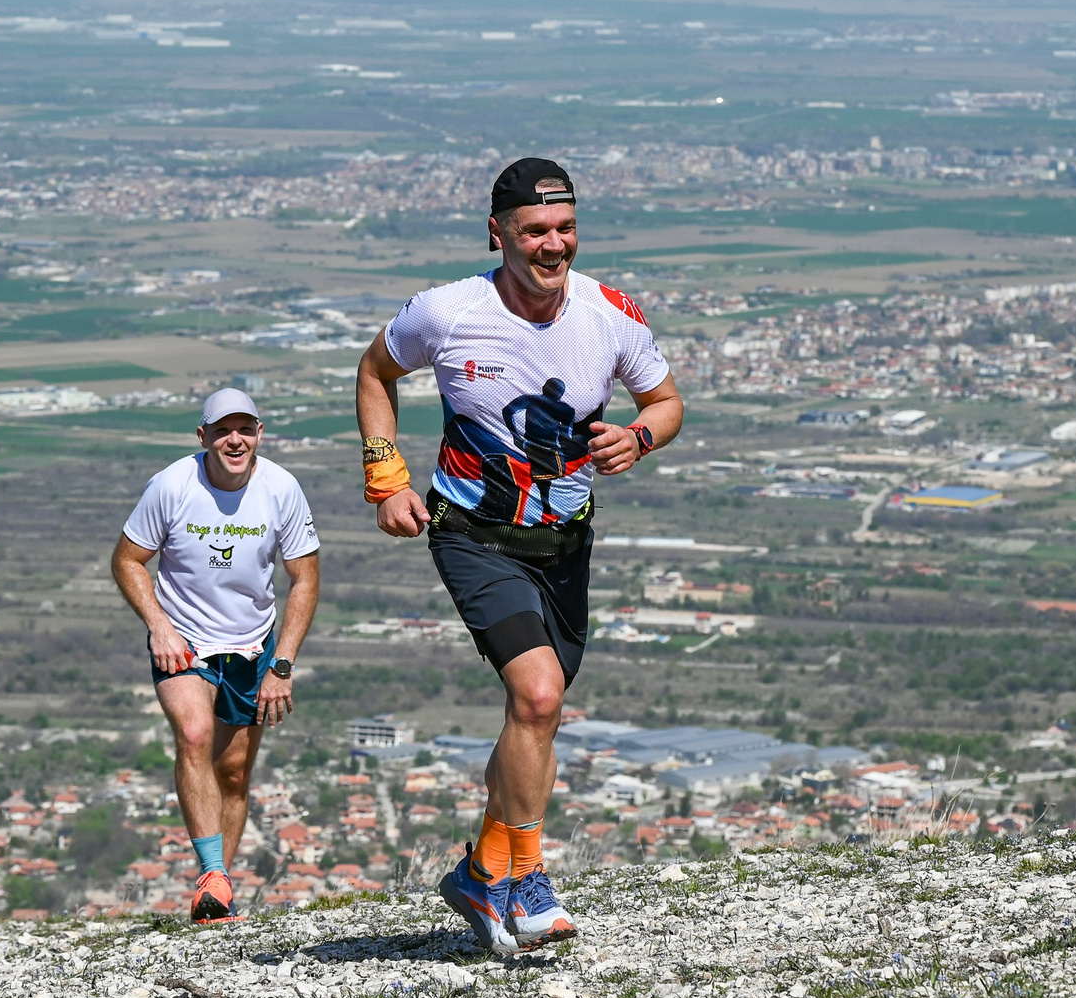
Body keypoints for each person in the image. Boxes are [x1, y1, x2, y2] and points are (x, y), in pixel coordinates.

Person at [356, 157, 684, 955]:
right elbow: (375, 370)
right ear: (497, 232)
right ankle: (528, 876)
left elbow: (666, 401)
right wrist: (385, 476)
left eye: (565, 228)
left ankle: (482, 872)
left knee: (535, 718)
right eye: (535, 230)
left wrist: (639, 436)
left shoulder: (611, 313)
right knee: (537, 697)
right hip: (472, 531)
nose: (553, 244)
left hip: (564, 543)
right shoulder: (447, 311)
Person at [112, 388, 321, 923]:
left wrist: (282, 665)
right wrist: (159, 626)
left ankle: (217, 895)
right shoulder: (172, 485)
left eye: (245, 429)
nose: (235, 440)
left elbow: (304, 579)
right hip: (184, 641)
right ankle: (211, 872)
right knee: (194, 735)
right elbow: (128, 560)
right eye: (223, 430)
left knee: (232, 774)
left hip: (252, 645)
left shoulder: (281, 488)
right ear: (202, 436)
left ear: (259, 434)